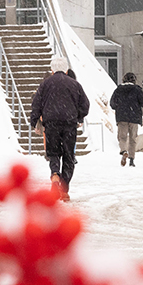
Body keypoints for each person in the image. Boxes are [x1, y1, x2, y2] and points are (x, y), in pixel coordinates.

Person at [29, 56, 89, 199]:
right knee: (68, 155)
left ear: (52, 69)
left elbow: (36, 103)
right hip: (69, 123)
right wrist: (79, 117)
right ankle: (64, 188)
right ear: (67, 69)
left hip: (51, 123)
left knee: (53, 152)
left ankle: (55, 174)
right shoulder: (75, 84)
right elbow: (85, 105)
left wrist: (34, 121)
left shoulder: (45, 84)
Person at [110, 72, 143, 166]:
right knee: (133, 139)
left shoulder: (118, 90)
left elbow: (112, 104)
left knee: (122, 137)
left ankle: (124, 151)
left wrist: (120, 106)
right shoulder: (137, 90)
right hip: (134, 117)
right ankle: (131, 159)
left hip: (122, 117)